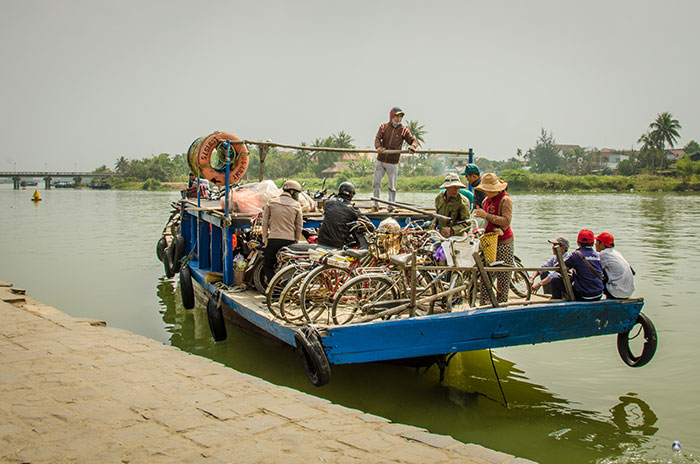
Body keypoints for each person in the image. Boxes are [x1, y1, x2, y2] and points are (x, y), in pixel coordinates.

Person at [473, 173, 514, 304]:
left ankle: (502, 304)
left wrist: (487, 216)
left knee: (503, 275)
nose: (486, 192)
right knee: (486, 275)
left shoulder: (505, 200)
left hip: (503, 242)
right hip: (489, 241)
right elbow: (484, 220)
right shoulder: (486, 201)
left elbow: (506, 221)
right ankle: (484, 303)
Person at [372, 107, 419, 212]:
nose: (398, 119)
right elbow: (377, 138)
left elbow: (413, 140)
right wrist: (378, 147)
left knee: (392, 186)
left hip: (393, 162)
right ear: (392, 116)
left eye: (400, 117)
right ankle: (375, 205)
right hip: (381, 159)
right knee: (376, 183)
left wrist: (413, 147)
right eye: (396, 116)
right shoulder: (384, 127)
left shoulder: (403, 130)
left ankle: (391, 206)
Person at [261, 180, 303, 281]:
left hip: (273, 239)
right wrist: (296, 241)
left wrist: (265, 238)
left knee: (267, 265)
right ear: (292, 192)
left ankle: (273, 286)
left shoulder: (271, 202)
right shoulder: (296, 205)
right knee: (289, 266)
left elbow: (264, 222)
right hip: (289, 241)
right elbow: (299, 226)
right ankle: (285, 286)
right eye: (296, 193)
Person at [552, 229, 604, 301]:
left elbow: (557, 267)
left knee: (555, 280)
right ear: (592, 243)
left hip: (584, 295)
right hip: (598, 294)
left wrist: (568, 272)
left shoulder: (576, 255)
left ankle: (556, 305)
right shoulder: (598, 255)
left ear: (578, 243)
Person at [318, 182, 368, 248]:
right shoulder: (352, 209)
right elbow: (367, 223)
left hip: (322, 241)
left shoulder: (329, 202)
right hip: (337, 244)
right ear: (351, 195)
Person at [595, 232, 635, 299]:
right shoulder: (617, 253)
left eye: (597, 242)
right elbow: (632, 272)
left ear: (601, 244)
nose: (595, 244)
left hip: (617, 292)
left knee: (592, 276)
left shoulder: (603, 254)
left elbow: (594, 269)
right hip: (628, 291)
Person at [433, 173, 470, 237]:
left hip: (457, 237)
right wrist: (434, 223)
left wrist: (452, 230)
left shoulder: (463, 201)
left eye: (458, 188)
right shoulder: (439, 198)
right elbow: (437, 214)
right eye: (453, 188)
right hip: (442, 235)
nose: (456, 191)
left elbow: (467, 224)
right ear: (446, 187)